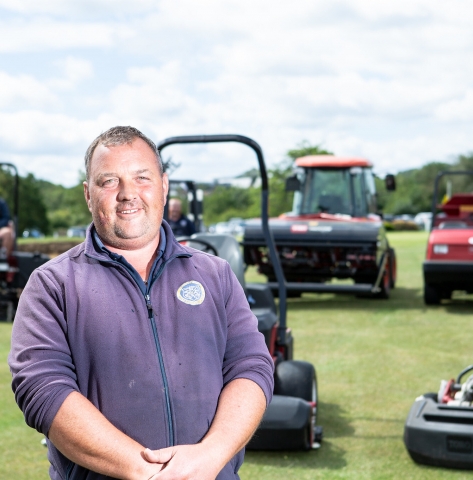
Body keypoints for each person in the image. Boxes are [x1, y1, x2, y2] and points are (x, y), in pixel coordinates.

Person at [9, 126, 274, 480]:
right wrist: (146, 471)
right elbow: (43, 389)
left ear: (164, 185)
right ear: (89, 195)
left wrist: (210, 456)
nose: (127, 194)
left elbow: (251, 368)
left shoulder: (216, 274)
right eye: (109, 182)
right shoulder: (52, 285)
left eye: (141, 178)